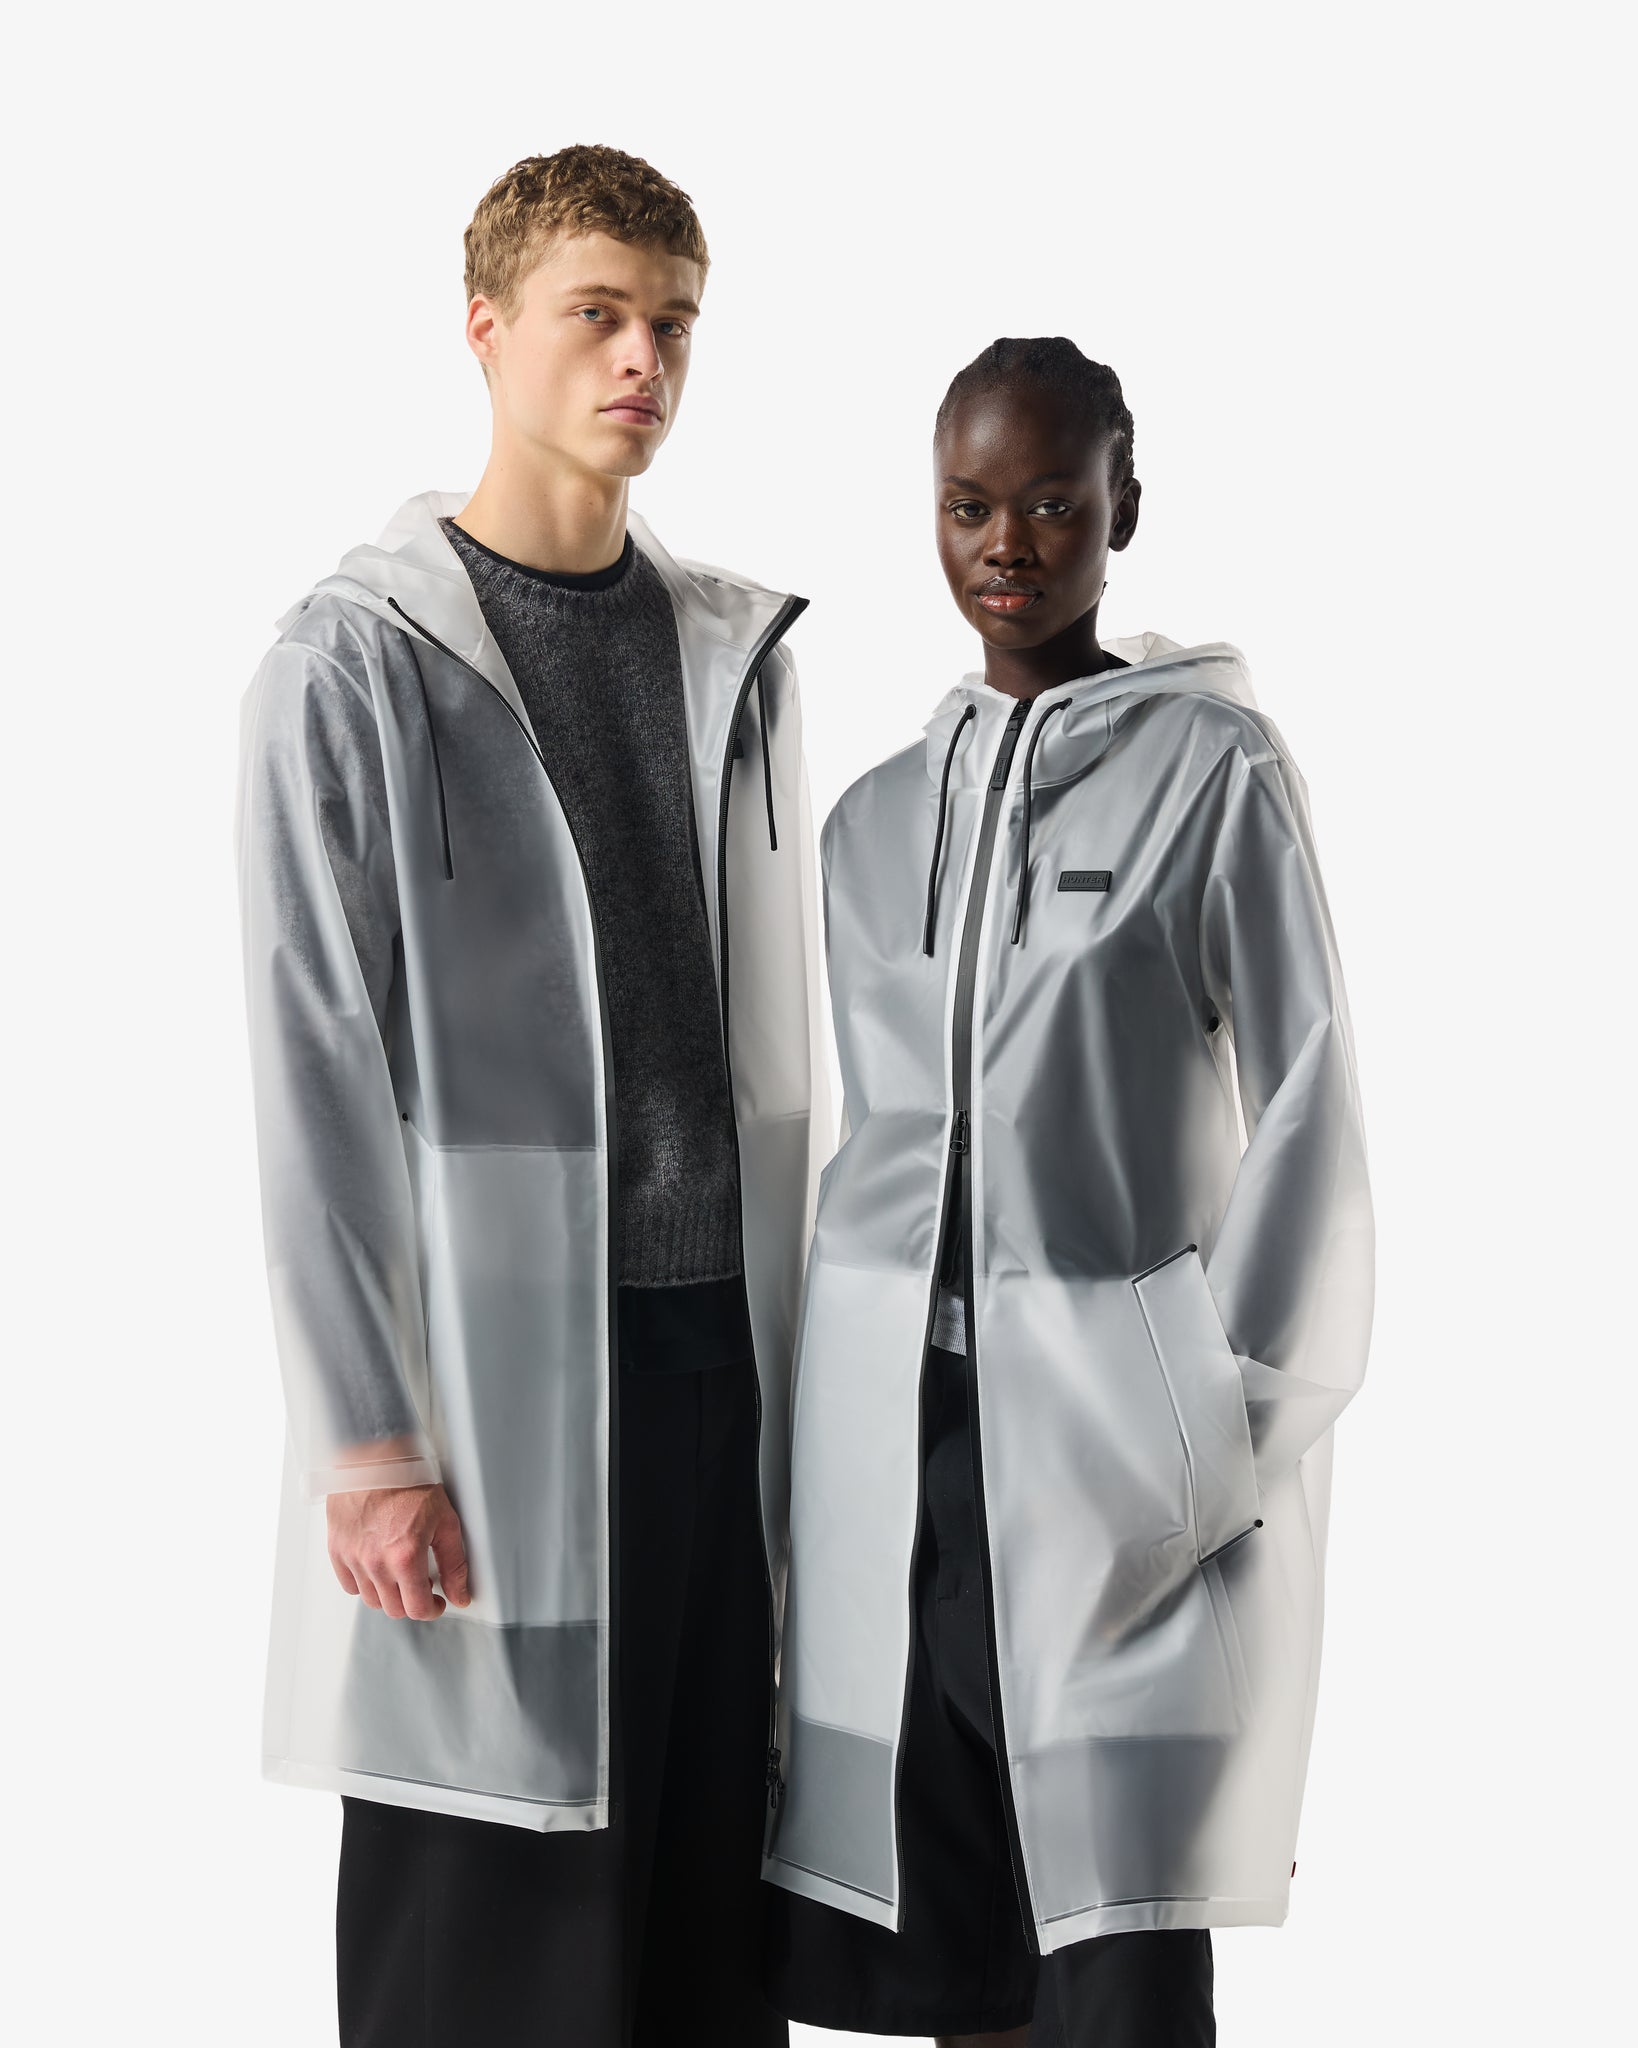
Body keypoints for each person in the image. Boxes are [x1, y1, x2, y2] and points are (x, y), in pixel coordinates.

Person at [234, 145, 826, 2047]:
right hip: (495, 1392)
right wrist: (367, 1441)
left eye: (674, 324)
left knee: (704, 1927)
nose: (642, 360)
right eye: (597, 315)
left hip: (721, 1360)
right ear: (485, 330)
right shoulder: (355, 664)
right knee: (489, 1928)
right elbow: (315, 1060)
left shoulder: (731, 652)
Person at [761, 337, 1373, 2047]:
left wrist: (1209, 1424)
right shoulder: (874, 822)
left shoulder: (1212, 773)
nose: (1007, 545)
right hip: (897, 1465)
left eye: (1049, 502)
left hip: (1113, 1462)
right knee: (950, 1954)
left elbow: (1308, 1105)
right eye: (968, 506)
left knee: (1116, 1962)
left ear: (1123, 509)